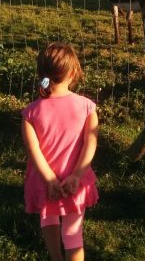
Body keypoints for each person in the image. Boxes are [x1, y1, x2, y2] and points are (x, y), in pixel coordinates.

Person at [21, 43, 99, 261]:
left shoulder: (30, 113)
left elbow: (33, 151)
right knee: (73, 236)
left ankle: (56, 258)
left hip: (44, 182)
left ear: (41, 74)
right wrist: (76, 176)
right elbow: (90, 144)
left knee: (48, 218)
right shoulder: (87, 107)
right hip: (75, 182)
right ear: (73, 72)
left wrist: (50, 179)